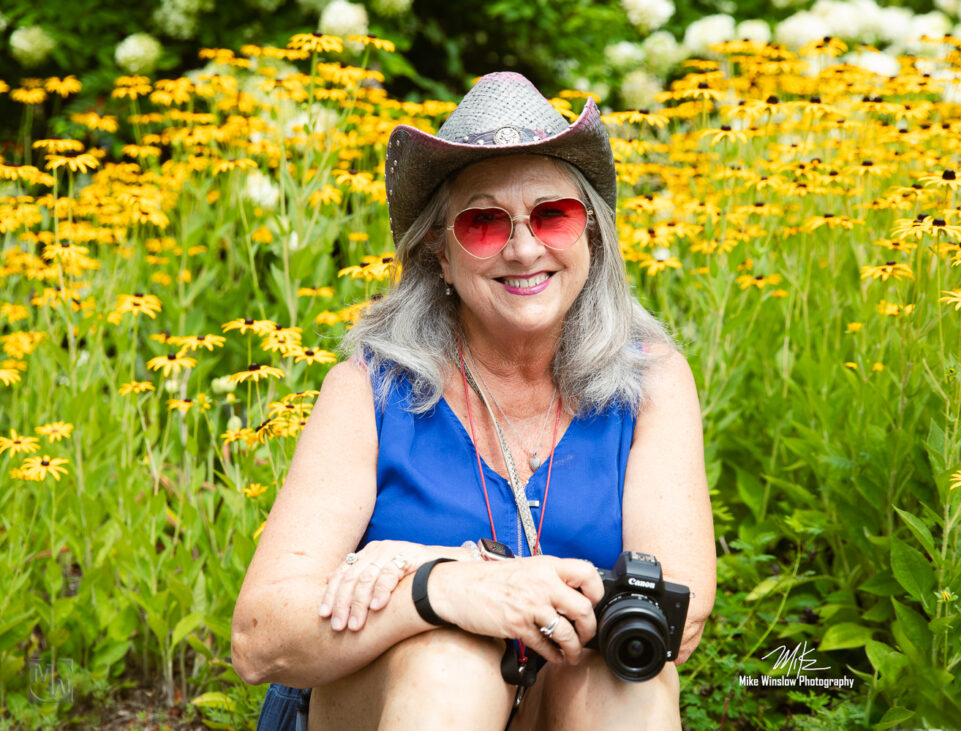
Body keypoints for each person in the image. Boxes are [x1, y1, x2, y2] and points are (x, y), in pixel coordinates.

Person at [231, 71, 716, 731]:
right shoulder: (368, 389)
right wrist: (438, 589)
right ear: (438, 251)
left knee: (629, 681)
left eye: (553, 214)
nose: (523, 247)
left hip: (565, 702)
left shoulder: (653, 380)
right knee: (449, 658)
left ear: (592, 235)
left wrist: (445, 566)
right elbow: (261, 636)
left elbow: (672, 618)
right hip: (395, 705)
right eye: (485, 223)